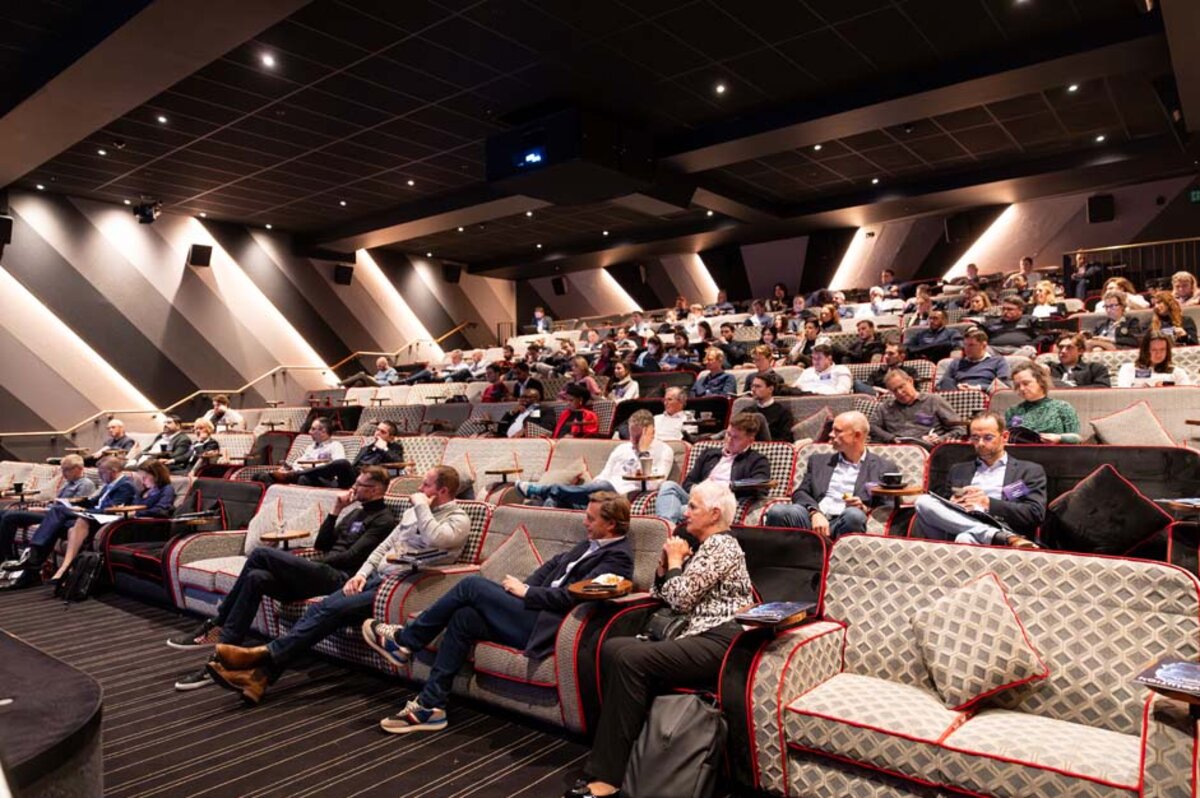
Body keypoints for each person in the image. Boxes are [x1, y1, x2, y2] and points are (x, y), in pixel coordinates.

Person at [363, 492, 635, 735]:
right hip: (530, 611)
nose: (584, 522)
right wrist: (522, 590)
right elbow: (551, 567)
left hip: (546, 626)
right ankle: (430, 706)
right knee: (465, 617)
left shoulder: (618, 558)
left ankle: (407, 640)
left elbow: (573, 596)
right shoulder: (589, 543)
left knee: (472, 585)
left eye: (590, 518)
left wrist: (526, 592)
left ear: (611, 524)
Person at [207, 468, 469, 705]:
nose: (419, 490)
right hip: (376, 578)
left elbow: (438, 538)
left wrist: (422, 506)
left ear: (443, 491)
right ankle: (259, 677)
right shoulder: (411, 514)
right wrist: (361, 575)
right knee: (321, 608)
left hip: (403, 586)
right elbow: (383, 547)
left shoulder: (458, 519)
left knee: (331, 610)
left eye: (426, 485)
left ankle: (263, 654)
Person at [568, 481, 752, 798]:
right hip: (694, 633)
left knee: (630, 659)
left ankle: (608, 778)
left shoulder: (722, 545)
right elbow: (662, 594)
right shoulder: (705, 547)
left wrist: (677, 561)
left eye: (692, 506)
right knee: (612, 648)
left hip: (721, 639)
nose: (685, 511)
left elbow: (680, 599)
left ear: (714, 514)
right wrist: (667, 565)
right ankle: (636, 748)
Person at [167, 466, 396, 690]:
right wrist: (336, 510)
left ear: (376, 489)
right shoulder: (355, 512)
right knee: (256, 577)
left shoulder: (384, 520)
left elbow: (351, 557)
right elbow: (322, 544)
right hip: (320, 573)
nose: (353, 487)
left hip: (341, 579)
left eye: (360, 484)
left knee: (261, 554)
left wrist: (311, 565)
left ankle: (218, 622)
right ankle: (222, 658)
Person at [912, 411, 1045, 548]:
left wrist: (988, 503)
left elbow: (1034, 514)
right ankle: (996, 536)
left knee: (965, 537)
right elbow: (943, 507)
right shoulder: (958, 470)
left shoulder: (1027, 471)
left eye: (988, 437)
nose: (980, 443)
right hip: (958, 524)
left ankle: (997, 535)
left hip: (1004, 527)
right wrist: (953, 502)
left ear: (1005, 437)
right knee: (923, 501)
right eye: (975, 438)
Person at [3, 455, 139, 581]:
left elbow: (110, 509)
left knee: (58, 511)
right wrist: (76, 504)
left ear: (113, 471)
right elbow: (94, 501)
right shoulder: (110, 484)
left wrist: (83, 510)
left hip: (102, 519)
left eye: (102, 472)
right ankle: (32, 568)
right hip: (91, 515)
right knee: (56, 525)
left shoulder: (125, 485)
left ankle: (33, 555)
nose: (99, 475)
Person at [765, 411, 895, 537]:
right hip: (813, 518)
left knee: (854, 515)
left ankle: (834, 550)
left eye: (838, 431)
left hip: (845, 520)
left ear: (857, 435)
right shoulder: (818, 461)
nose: (831, 434)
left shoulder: (883, 467)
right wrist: (814, 512)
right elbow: (801, 492)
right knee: (778, 511)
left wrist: (864, 508)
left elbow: (887, 505)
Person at [54, 460, 174, 584]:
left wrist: (135, 513)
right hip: (128, 521)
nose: (143, 481)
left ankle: (67, 570)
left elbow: (161, 510)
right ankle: (71, 572)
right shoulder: (144, 491)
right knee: (74, 528)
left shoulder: (166, 489)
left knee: (80, 524)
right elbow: (133, 506)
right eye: (141, 478)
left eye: (145, 477)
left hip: (145, 526)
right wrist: (124, 509)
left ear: (156, 475)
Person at [517, 412, 673, 508]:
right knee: (554, 501)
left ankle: (542, 490)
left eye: (638, 436)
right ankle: (551, 496)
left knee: (604, 486)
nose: (633, 441)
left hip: (622, 497)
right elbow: (604, 475)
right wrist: (592, 488)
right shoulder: (622, 448)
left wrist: (643, 452)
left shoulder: (664, 451)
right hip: (600, 494)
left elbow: (653, 485)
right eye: (632, 435)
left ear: (651, 432)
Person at [654, 413, 770, 524]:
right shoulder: (709, 454)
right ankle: (668, 525)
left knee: (676, 510)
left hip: (720, 504)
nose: (729, 440)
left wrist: (726, 489)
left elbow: (761, 487)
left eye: (736, 438)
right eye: (728, 434)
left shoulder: (757, 460)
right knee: (669, 486)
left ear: (750, 440)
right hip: (697, 497)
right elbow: (688, 483)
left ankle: (665, 526)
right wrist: (701, 490)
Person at [0, 456, 94, 566]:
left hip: (58, 516)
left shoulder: (85, 484)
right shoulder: (69, 483)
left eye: (67, 470)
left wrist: (43, 510)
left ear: (79, 468)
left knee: (10, 517)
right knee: (2, 513)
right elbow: (56, 502)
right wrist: (43, 507)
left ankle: (8, 557)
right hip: (51, 511)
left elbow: (73, 508)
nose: (63, 473)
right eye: (62, 469)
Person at [869, 369, 963, 445]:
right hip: (897, 448)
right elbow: (872, 427)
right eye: (894, 391)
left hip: (927, 447)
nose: (900, 393)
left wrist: (940, 439)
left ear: (910, 381)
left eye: (901, 387)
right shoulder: (886, 407)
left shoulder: (933, 401)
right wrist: (891, 438)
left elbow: (960, 429)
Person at [1005, 362, 1080, 443]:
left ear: (1040, 381)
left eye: (1026, 383)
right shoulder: (1012, 411)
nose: (1021, 388)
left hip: (1054, 449)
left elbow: (1077, 439)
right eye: (1017, 385)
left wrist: (1060, 438)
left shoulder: (1062, 407)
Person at [261, 418, 346, 485]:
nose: (309, 432)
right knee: (263, 476)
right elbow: (298, 463)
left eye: (313, 429)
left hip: (323, 479)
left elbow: (338, 466)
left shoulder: (335, 446)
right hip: (299, 474)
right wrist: (288, 469)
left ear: (323, 431)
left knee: (303, 478)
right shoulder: (310, 447)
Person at [937, 328, 1011, 391]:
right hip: (958, 394)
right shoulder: (956, 362)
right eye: (965, 345)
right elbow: (942, 384)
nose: (967, 349)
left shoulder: (997, 361)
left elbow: (1004, 384)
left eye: (971, 345)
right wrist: (957, 387)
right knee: (945, 381)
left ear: (983, 345)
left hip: (984, 394)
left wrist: (978, 388)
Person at [1116, 331, 1193, 387]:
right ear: (1145, 350)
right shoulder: (1128, 369)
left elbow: (1187, 397)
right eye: (1154, 350)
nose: (1158, 354)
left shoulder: (1177, 373)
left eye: (1162, 349)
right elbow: (1123, 395)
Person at [747, 373, 795, 441]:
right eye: (752, 386)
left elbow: (786, 439)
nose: (753, 389)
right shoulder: (747, 411)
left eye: (758, 386)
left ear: (770, 389)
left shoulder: (783, 413)